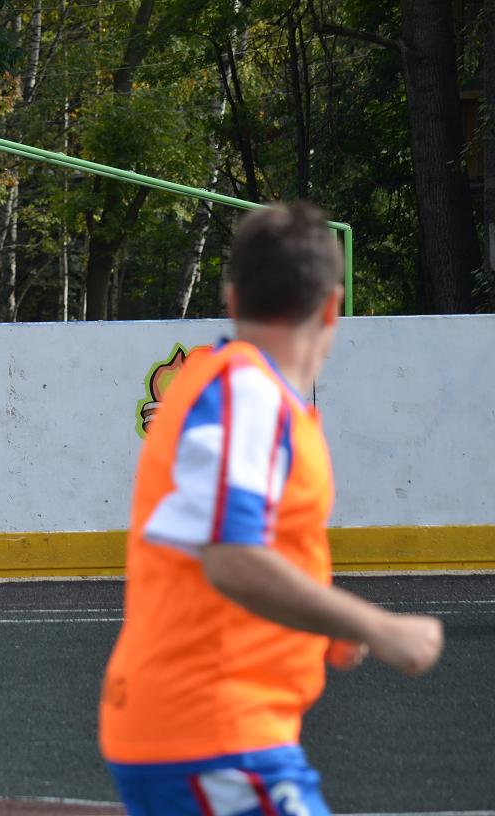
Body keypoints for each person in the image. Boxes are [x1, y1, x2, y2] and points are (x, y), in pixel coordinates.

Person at [98, 202, 444, 813]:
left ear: (232, 300)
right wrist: (377, 626)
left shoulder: (237, 390)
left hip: (208, 731)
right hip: (214, 734)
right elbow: (231, 557)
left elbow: (243, 545)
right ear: (332, 307)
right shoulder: (246, 394)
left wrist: (324, 621)